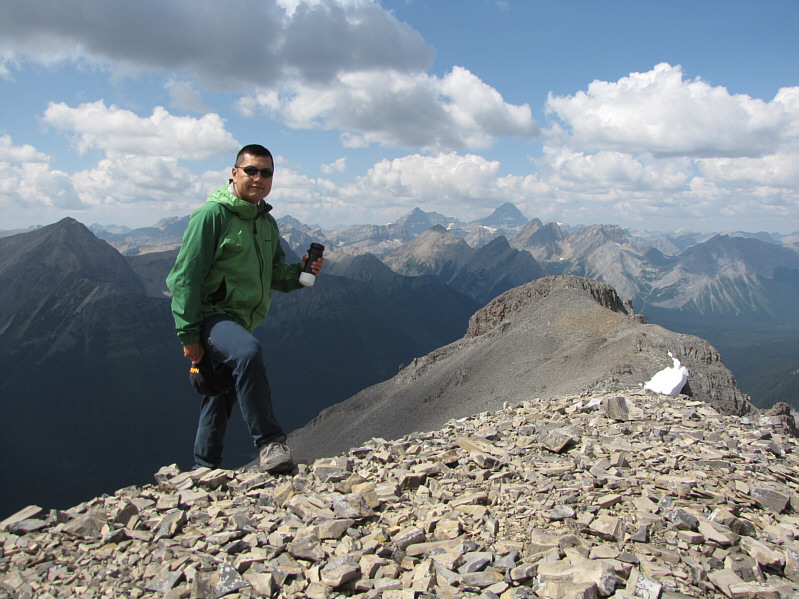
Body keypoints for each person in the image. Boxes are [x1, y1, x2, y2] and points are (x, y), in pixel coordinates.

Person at [166, 144, 323, 473]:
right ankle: (269, 442)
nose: (259, 178)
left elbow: (274, 276)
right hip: (211, 316)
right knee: (248, 353)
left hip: (237, 322)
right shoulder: (211, 216)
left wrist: (301, 272)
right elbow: (184, 278)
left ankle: (204, 467)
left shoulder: (266, 224)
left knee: (218, 388)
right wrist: (189, 335)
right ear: (234, 173)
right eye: (251, 170)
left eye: (266, 173)